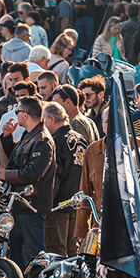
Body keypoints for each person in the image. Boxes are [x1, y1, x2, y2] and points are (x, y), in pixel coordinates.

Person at [0, 96, 55, 270]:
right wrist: (6, 138)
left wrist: (6, 175)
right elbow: (16, 161)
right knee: (16, 256)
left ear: (26, 115)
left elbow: (32, 173)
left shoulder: (42, 140)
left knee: (33, 257)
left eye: (17, 111)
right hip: (20, 205)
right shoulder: (29, 135)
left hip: (32, 206)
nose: (15, 115)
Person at [43, 102, 88, 257]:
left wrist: (46, 204)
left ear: (51, 119)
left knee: (56, 252)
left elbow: (54, 176)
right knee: (73, 252)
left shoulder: (54, 142)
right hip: (78, 204)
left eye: (44, 121)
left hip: (58, 206)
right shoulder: (82, 139)